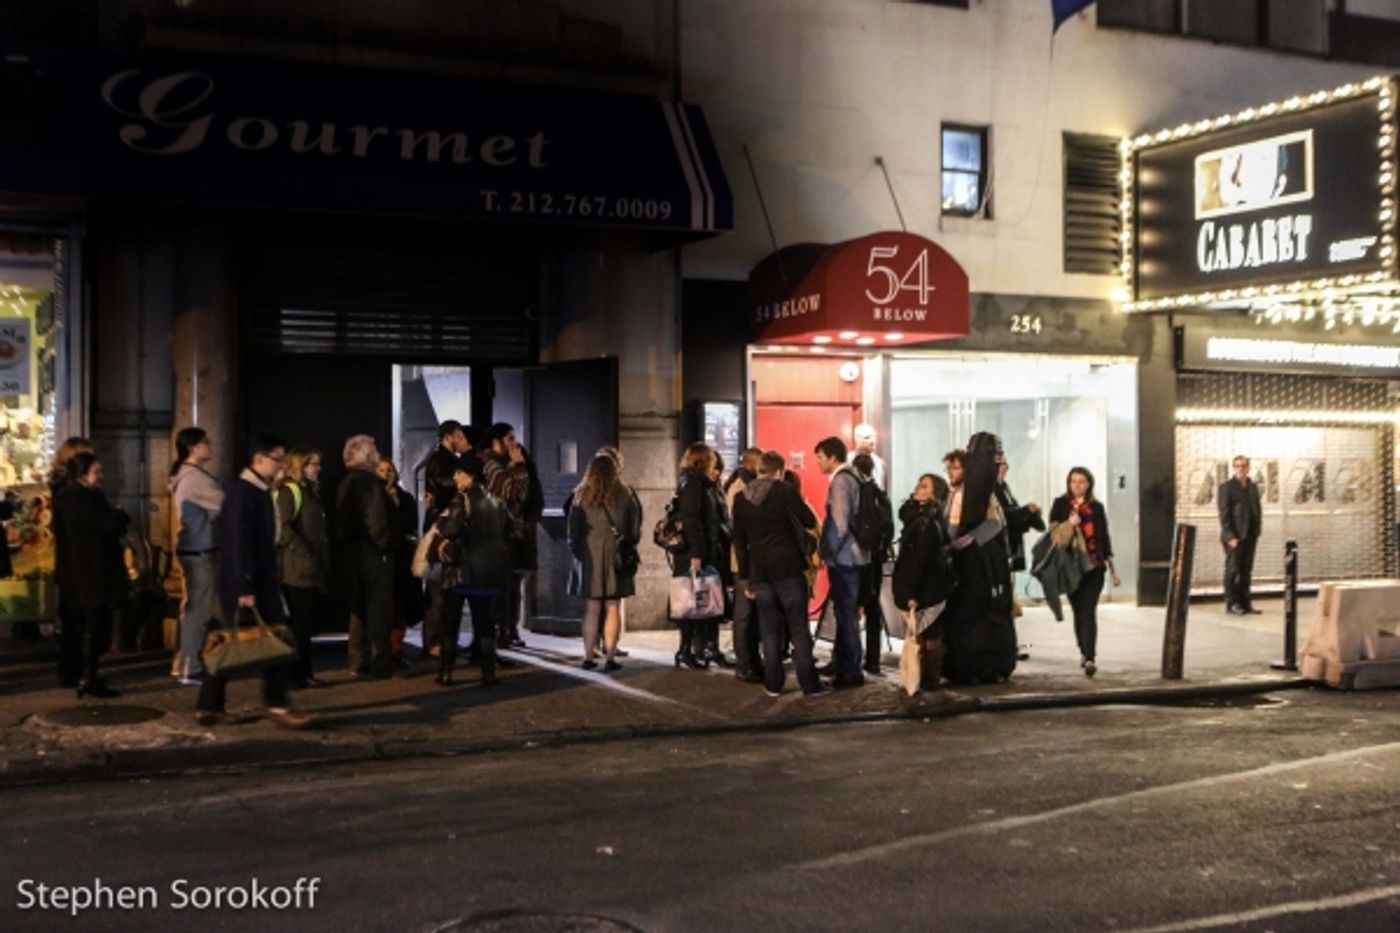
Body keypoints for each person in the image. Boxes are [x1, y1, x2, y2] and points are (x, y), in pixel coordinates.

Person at [197, 434, 310, 728]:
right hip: (246, 584)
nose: (282, 465)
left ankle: (212, 706)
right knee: (259, 641)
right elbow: (237, 544)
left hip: (257, 582)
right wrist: (244, 587)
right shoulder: (242, 494)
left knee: (236, 642)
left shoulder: (258, 492)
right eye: (277, 459)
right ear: (259, 459)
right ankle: (275, 703)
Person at [733, 450, 828, 698]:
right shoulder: (785, 491)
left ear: (758, 470)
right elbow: (808, 520)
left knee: (768, 629)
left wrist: (746, 577)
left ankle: (773, 683)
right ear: (780, 471)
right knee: (798, 627)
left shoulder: (741, 498)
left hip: (760, 571)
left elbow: (739, 542)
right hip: (788, 568)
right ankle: (810, 684)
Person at [940, 436, 1017, 685]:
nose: (951, 472)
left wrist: (967, 540)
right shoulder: (957, 495)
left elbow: (993, 524)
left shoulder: (977, 495)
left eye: (956, 467)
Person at [52, 452, 128, 698]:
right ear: (82, 475)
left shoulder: (81, 497)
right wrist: (119, 516)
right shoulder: (76, 499)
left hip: (87, 571)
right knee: (91, 625)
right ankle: (87, 676)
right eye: (96, 472)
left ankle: (81, 673)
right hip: (88, 572)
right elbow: (107, 525)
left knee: (88, 624)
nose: (101, 476)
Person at [434, 458, 512, 687]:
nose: (455, 478)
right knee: (485, 623)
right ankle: (488, 673)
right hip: (488, 573)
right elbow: (509, 530)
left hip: (461, 572)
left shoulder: (462, 499)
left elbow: (451, 529)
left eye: (458, 474)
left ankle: (446, 672)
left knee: (451, 622)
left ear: (469, 475)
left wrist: (440, 519)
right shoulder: (497, 501)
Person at [567, 454, 642, 670]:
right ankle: (610, 657)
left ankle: (588, 657)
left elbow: (572, 532)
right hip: (615, 554)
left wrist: (579, 553)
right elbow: (634, 532)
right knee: (612, 607)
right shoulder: (626, 494)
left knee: (591, 608)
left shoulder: (580, 495)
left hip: (589, 555)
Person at [336, 434, 398, 678]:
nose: (377, 454)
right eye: (373, 450)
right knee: (377, 608)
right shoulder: (370, 484)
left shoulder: (346, 482)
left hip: (353, 551)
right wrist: (385, 547)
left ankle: (357, 659)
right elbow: (377, 521)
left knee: (358, 607)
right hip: (373, 553)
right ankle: (380, 662)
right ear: (365, 455)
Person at [1049, 466, 1119, 678]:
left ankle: (1090, 656)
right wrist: (1070, 524)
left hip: (1094, 566)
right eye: (1073, 481)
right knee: (1078, 610)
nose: (1077, 485)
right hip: (1070, 567)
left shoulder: (1096, 507)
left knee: (1088, 610)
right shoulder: (1060, 505)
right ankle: (1083, 649)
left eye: (1081, 481)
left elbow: (1103, 538)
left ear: (1089, 484)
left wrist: (1112, 569)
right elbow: (1054, 535)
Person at [169, 427, 224, 686]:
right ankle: (190, 666)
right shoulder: (195, 479)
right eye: (206, 442)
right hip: (199, 549)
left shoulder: (185, 475)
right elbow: (225, 503)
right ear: (192, 447)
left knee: (192, 607)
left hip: (192, 547)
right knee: (198, 611)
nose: (210, 445)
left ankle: (184, 661)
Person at [481, 422, 540, 655]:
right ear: (497, 442)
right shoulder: (492, 465)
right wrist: (519, 468)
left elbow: (528, 497)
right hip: (495, 536)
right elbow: (514, 492)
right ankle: (495, 637)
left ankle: (507, 631)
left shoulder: (503, 463)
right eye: (510, 440)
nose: (515, 445)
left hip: (512, 534)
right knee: (499, 588)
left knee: (511, 586)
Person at [815, 435, 869, 688]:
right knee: (844, 612)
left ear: (832, 457)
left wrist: (829, 553)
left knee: (847, 615)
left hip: (846, 558)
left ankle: (850, 671)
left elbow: (839, 522)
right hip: (856, 555)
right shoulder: (856, 476)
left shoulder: (841, 481)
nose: (818, 462)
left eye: (820, 457)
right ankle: (841, 661)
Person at [893, 473, 955, 688]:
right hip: (929, 586)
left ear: (934, 494)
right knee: (924, 633)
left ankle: (927, 680)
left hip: (927, 589)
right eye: (918, 484)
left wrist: (910, 592)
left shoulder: (925, 522)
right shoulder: (921, 518)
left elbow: (918, 559)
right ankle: (924, 679)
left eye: (924, 486)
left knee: (927, 635)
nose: (917, 488)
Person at [276, 447, 330, 688]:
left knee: (305, 624)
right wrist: (303, 550)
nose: (317, 469)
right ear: (300, 466)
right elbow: (283, 526)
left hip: (310, 568)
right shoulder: (291, 491)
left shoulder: (311, 492)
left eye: (318, 464)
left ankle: (303, 672)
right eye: (312, 464)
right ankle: (294, 674)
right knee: (300, 624)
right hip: (296, 569)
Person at [670, 442, 726, 670]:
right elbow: (693, 521)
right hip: (694, 555)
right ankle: (685, 650)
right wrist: (697, 554)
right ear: (702, 461)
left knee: (702, 602)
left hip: (700, 552)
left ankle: (696, 649)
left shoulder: (699, 484)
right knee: (690, 603)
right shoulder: (693, 486)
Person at [421, 420, 471, 657]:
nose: (463, 440)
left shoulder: (443, 459)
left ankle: (441, 639)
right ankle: (434, 641)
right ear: (450, 436)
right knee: (439, 589)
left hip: (443, 525)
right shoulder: (442, 460)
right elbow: (442, 485)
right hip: (441, 528)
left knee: (444, 588)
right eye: (459, 435)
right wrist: (460, 484)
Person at [379, 458, 424, 669]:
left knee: (400, 606)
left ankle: (397, 650)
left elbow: (412, 527)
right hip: (382, 558)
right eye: (381, 469)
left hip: (402, 559)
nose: (386, 473)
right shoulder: (374, 496)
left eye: (389, 470)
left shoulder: (405, 498)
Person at [725, 448, 764, 683]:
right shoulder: (739, 488)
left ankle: (752, 659)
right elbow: (739, 527)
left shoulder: (748, 485)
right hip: (742, 561)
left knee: (752, 614)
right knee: (744, 614)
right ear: (751, 465)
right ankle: (744, 663)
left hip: (752, 558)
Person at [851, 452, 890, 676]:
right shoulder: (880, 495)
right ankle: (873, 659)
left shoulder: (859, 493)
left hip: (859, 558)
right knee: (873, 608)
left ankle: (851, 657)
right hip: (876, 557)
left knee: (850, 608)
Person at [700, 450, 734, 667]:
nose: (717, 473)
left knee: (714, 603)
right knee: (705, 604)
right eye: (714, 468)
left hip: (717, 551)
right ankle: (703, 646)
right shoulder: (701, 489)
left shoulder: (715, 489)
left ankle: (710, 646)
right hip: (708, 554)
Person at [1218, 454, 1262, 615]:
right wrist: (1230, 536)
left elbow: (1256, 509)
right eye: (1238, 466)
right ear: (1234, 468)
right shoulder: (1227, 487)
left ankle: (1245, 602)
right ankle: (1232, 603)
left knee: (1246, 570)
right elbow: (1224, 514)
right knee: (1232, 570)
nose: (1241, 469)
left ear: (1248, 467)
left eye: (1244, 466)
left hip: (1250, 535)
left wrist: (1257, 531)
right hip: (1234, 537)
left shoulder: (1252, 487)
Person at [849, 422, 888, 492]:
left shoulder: (880, 463)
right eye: (867, 437)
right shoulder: (848, 461)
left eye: (874, 437)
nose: (872, 441)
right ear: (857, 439)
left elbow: (883, 488)